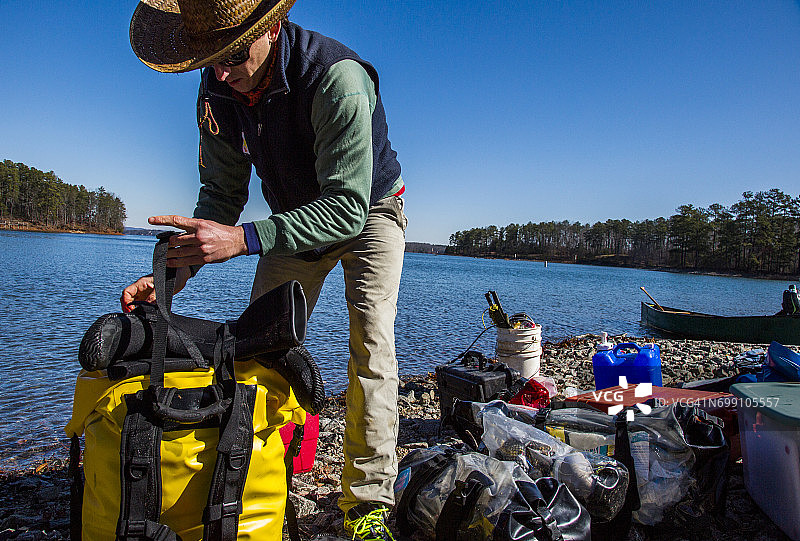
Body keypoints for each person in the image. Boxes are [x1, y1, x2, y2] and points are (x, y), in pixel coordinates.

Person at [123, 1, 406, 539]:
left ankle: (367, 503)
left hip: (368, 211)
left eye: (232, 55)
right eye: (210, 59)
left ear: (271, 28)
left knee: (372, 348)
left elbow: (346, 208)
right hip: (297, 216)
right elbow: (221, 194)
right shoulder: (217, 89)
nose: (220, 72)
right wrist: (170, 277)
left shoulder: (337, 79)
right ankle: (251, 472)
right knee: (258, 346)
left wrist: (243, 240)